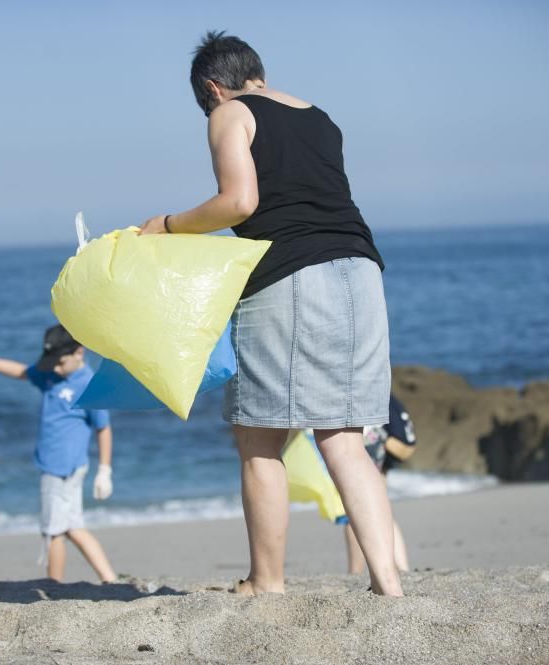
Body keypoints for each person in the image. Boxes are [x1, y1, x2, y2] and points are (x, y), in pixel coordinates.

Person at [138, 31, 403, 596]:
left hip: (290, 276)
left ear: (213, 87)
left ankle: (267, 581)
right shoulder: (319, 116)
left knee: (260, 439)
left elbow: (240, 202)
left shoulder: (230, 112)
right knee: (344, 438)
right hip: (361, 269)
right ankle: (389, 584)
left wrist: (167, 225)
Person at [0, 324, 117, 583]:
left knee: (53, 532)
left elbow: (103, 428)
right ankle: (110, 579)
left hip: (61, 469)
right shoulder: (51, 374)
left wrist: (105, 470)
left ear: (79, 353)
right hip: (60, 466)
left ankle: (54, 586)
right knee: (73, 526)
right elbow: (20, 371)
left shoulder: (88, 384)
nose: (56, 368)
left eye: (61, 362)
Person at [345, 394, 417, 574]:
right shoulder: (380, 386)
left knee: (353, 510)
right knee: (380, 507)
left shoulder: (354, 385)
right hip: (383, 447)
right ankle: (402, 566)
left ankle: (355, 571)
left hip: (368, 444)